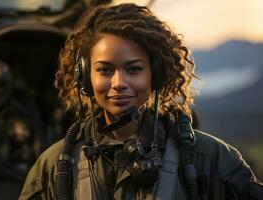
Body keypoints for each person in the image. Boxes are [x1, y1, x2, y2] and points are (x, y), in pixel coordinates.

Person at [19, 3, 263, 200]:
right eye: (104, 70)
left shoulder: (211, 159)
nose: (118, 82)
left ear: (155, 74)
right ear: (85, 76)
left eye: (134, 69)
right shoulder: (54, 167)